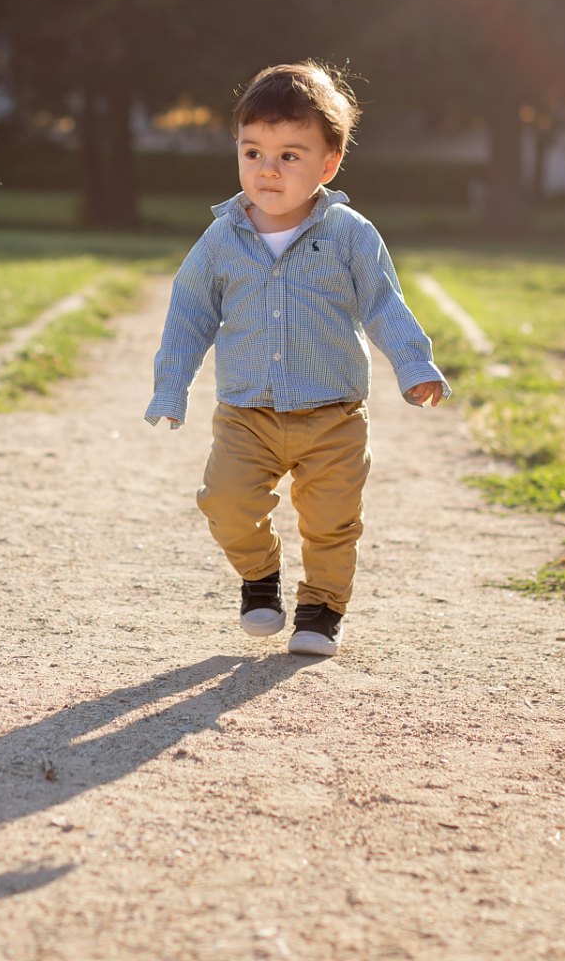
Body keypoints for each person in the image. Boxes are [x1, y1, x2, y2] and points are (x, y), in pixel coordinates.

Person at [145, 62, 449, 657]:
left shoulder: (350, 235)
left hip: (332, 414)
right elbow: (189, 314)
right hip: (246, 412)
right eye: (253, 151)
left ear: (327, 165)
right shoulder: (221, 240)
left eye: (290, 156)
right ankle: (260, 578)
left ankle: (321, 609)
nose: (267, 169)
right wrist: (170, 387)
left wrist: (414, 366)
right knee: (225, 502)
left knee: (332, 521)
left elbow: (384, 303)